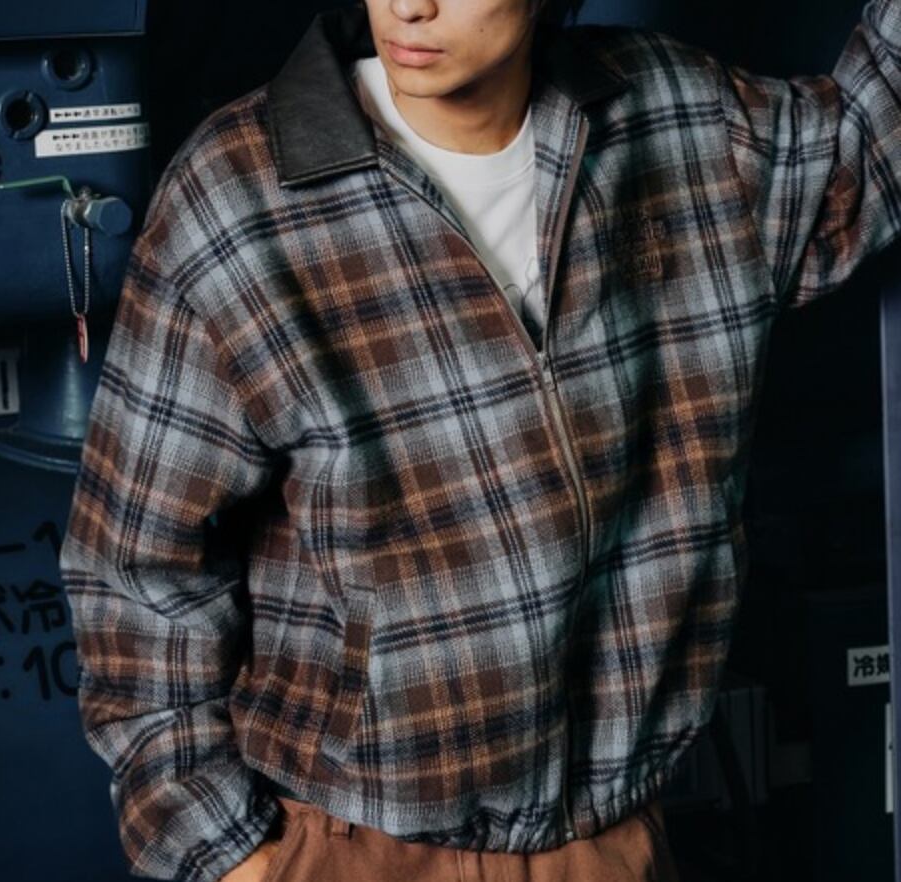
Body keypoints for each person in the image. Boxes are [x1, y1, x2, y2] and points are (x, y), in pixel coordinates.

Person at [58, 0, 901, 880]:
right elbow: (134, 568)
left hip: (605, 845)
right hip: (352, 847)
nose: (408, 5)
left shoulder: (681, 123)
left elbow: (869, 145)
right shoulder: (239, 195)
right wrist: (228, 857)